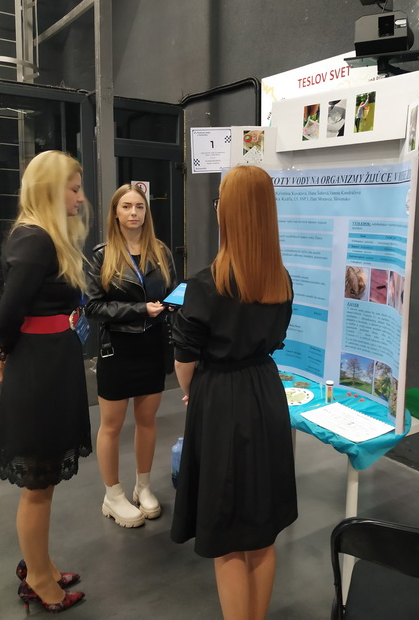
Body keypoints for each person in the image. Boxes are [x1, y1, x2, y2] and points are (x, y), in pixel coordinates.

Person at [171, 165, 298, 620]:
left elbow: (184, 360)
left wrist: (195, 394)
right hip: (266, 393)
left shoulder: (206, 284)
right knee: (262, 532)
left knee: (225, 537)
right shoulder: (281, 280)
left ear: (227, 210)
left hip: (221, 399)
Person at [0, 150, 91, 613]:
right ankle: (36, 576)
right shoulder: (35, 240)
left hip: (50, 366)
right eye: (73, 188)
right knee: (38, 485)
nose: (80, 197)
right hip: (38, 372)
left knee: (45, 481)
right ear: (52, 191)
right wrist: (5, 357)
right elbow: (7, 316)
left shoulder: (44, 239)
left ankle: (41, 563)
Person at [85, 183, 176, 528]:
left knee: (148, 420)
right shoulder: (102, 255)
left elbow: (173, 293)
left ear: (146, 212)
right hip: (117, 348)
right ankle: (113, 495)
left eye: (139, 206)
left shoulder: (160, 252)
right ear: (115, 213)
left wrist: (173, 306)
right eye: (126, 206)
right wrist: (140, 309)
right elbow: (94, 307)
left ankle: (143, 487)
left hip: (152, 346)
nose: (134, 212)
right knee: (111, 425)